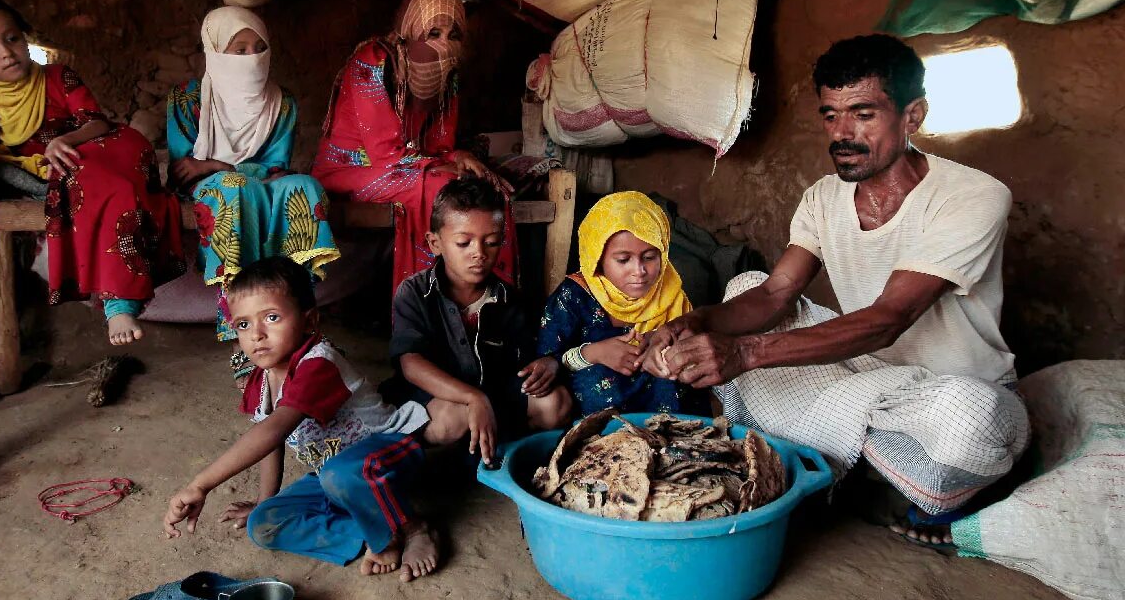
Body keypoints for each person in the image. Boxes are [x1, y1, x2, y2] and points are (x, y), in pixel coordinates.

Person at [641, 34, 1029, 550]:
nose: (842, 133)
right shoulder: (824, 197)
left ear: (913, 116)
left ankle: (849, 464)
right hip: (863, 373)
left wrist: (745, 352)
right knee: (747, 286)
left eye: (863, 114)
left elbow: (891, 316)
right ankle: (870, 470)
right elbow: (778, 293)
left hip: (943, 391)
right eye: (830, 115)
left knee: (975, 423)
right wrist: (697, 322)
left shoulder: (973, 196)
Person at [163, 258, 440, 582]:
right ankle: (375, 528)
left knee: (344, 471)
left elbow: (275, 429)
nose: (257, 335)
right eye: (243, 325)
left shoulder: (318, 363)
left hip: (387, 456)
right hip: (334, 478)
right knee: (264, 524)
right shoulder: (261, 379)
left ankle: (414, 527)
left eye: (271, 317)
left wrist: (200, 484)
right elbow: (270, 441)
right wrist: (266, 500)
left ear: (310, 321)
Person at [0, 0, 184, 346]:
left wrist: (65, 139)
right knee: (105, 187)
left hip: (94, 145)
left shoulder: (56, 76)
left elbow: (96, 123)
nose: (6, 52)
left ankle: (120, 300)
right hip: (65, 167)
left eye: (12, 38)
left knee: (120, 167)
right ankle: (119, 302)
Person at [312, 0, 516, 295]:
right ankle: (426, 304)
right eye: (432, 33)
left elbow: (438, 146)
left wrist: (457, 156)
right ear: (408, 32)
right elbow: (384, 153)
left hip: (410, 168)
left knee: (489, 187)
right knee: (439, 186)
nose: (444, 45)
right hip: (351, 172)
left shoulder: (450, 76)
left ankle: (490, 305)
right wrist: (441, 166)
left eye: (453, 35)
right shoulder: (373, 61)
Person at [167, 6, 339, 340]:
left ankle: (297, 310)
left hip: (256, 180)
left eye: (259, 48)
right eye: (239, 50)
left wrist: (217, 165)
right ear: (215, 53)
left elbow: (277, 167)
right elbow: (182, 171)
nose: (252, 57)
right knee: (233, 187)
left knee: (304, 186)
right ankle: (238, 323)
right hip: (213, 187)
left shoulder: (282, 102)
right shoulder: (187, 100)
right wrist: (219, 172)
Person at [387, 176, 573, 468]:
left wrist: (546, 364)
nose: (479, 253)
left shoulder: (510, 299)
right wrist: (472, 398)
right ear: (434, 243)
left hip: (493, 393)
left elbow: (529, 360)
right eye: (464, 242)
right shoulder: (414, 292)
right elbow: (411, 364)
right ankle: (453, 453)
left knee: (555, 402)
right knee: (451, 420)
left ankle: (491, 444)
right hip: (438, 397)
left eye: (492, 242)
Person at [536, 191, 693, 416]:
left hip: (669, 432)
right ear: (597, 258)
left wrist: (659, 347)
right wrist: (593, 353)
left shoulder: (671, 294)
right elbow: (548, 364)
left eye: (650, 257)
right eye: (623, 260)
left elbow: (695, 349)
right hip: (598, 436)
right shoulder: (573, 297)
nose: (639, 271)